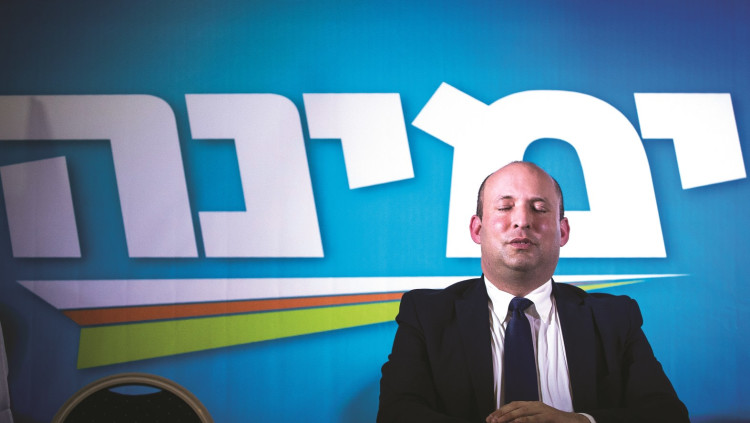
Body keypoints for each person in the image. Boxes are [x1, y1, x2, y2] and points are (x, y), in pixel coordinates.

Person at [377, 161, 689, 423]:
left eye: (539, 209)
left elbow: (668, 415)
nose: (522, 221)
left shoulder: (614, 317)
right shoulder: (427, 314)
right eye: (505, 207)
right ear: (477, 229)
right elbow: (396, 415)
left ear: (562, 231)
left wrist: (580, 422)